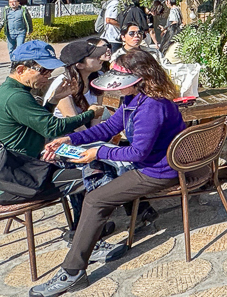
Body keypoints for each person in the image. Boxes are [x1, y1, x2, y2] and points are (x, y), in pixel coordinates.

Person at [34, 50, 187, 297]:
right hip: (151, 163)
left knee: (95, 199)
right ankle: (93, 240)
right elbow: (107, 128)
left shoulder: (152, 106)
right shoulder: (133, 99)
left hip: (158, 170)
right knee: (95, 182)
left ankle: (73, 272)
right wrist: (70, 139)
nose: (116, 84)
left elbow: (137, 153)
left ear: (140, 77)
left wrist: (98, 153)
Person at [0, 41, 102, 206]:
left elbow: (37, 123)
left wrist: (53, 100)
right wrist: (91, 113)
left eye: (50, 71)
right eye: (44, 71)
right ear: (21, 70)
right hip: (15, 182)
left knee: (80, 165)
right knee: (93, 173)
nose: (48, 76)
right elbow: (53, 128)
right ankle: (86, 228)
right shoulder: (16, 97)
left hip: (21, 170)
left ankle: (81, 224)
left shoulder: (8, 91)